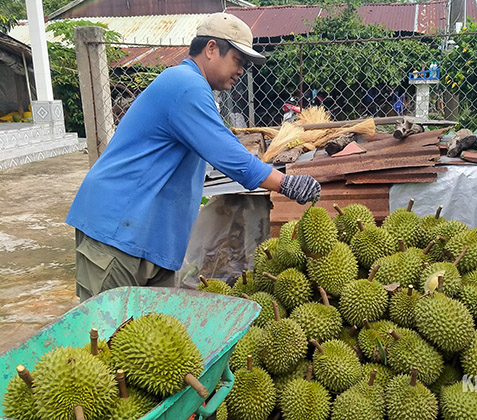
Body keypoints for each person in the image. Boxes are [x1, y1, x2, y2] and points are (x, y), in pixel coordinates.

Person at [65, 13, 321, 302]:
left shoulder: (192, 89)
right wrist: (287, 184)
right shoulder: (184, 85)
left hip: (148, 238)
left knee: (155, 339)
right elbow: (230, 157)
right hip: (116, 228)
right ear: (211, 49)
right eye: (238, 60)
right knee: (104, 335)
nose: (242, 71)